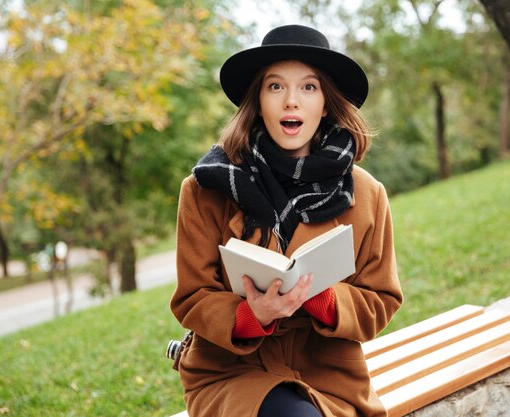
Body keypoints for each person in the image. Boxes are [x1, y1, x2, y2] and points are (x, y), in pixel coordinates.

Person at [170, 24, 403, 417]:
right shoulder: (204, 188)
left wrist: (322, 298)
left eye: (308, 87)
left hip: (328, 375)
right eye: (275, 87)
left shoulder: (366, 194)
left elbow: (381, 300)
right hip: (231, 373)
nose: (291, 101)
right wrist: (251, 316)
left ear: (326, 103)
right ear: (258, 100)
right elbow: (191, 298)